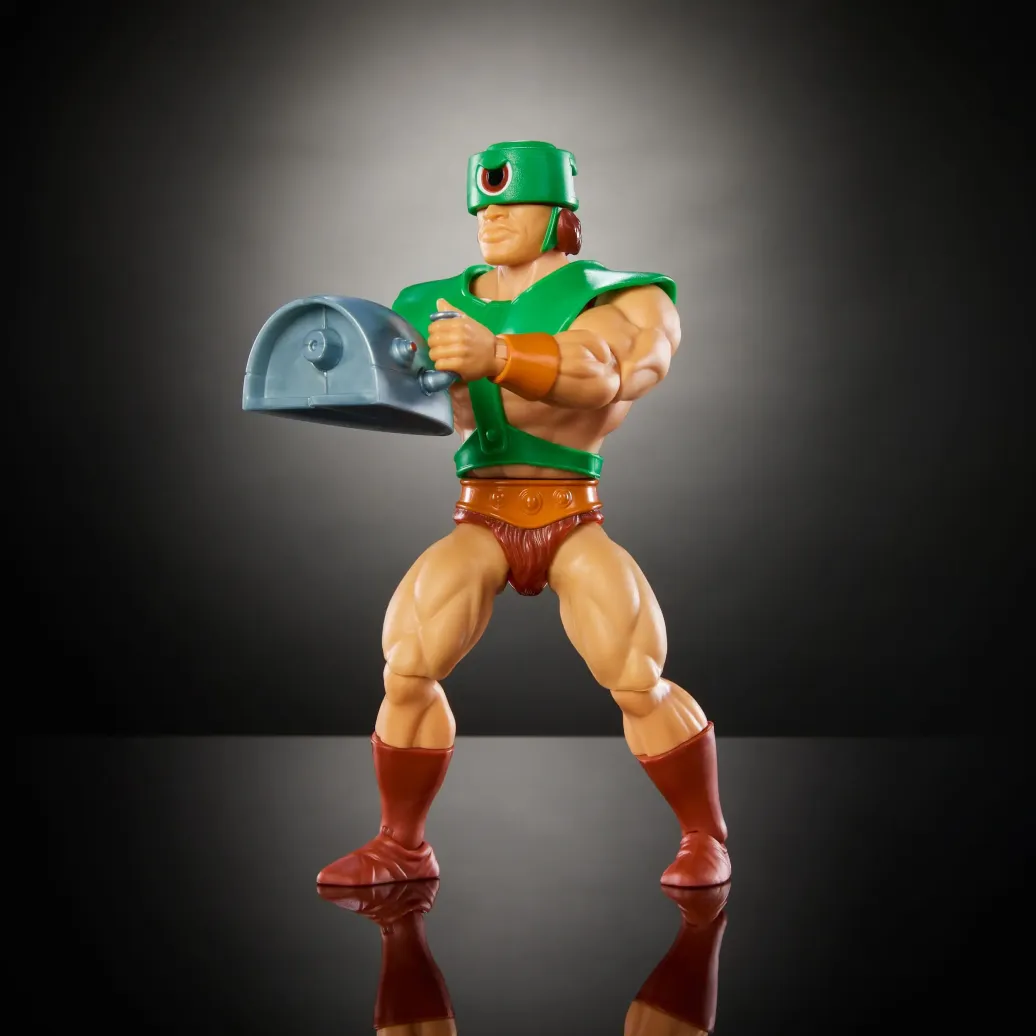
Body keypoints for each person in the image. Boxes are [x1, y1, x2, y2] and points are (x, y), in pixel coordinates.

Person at [317, 141, 730, 890]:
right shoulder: (429, 304)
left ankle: (704, 836)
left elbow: (607, 371)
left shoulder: (624, 300)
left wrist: (500, 356)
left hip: (571, 516)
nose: (492, 217)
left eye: (511, 203)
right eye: (483, 206)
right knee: (406, 667)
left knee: (636, 676)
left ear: (560, 214)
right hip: (482, 514)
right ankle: (401, 846)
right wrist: (329, 365)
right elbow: (386, 391)